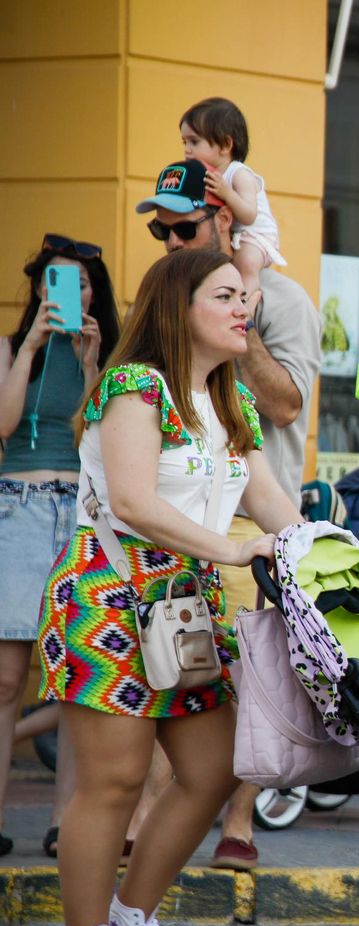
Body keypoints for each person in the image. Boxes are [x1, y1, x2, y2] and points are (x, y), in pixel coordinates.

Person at [40, 248, 304, 926]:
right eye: (224, 295)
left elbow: (278, 513)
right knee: (114, 782)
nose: (241, 308)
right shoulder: (135, 386)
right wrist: (233, 549)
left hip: (188, 608)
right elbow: (130, 500)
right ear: (179, 307)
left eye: (243, 295)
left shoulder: (231, 406)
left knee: (214, 772)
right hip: (108, 595)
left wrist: (332, 561)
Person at [136, 156, 322, 872]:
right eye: (161, 232)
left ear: (222, 220)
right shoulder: (161, 310)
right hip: (164, 536)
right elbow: (129, 486)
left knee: (248, 680)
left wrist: (231, 329)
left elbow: (282, 407)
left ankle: (234, 821)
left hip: (246, 529)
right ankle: (135, 850)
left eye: (183, 228)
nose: (171, 243)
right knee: (168, 693)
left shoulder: (281, 302)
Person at [0, 234, 120, 859]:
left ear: (95, 293)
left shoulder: (108, 355)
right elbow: (4, 423)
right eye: (56, 283)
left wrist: (94, 363)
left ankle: (63, 823)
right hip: (16, 509)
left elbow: (103, 437)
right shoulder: (11, 348)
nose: (69, 295)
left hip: (80, 513)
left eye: (81, 284)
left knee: (77, 679)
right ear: (39, 291)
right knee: (6, 677)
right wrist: (32, 348)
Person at [178, 98, 284, 297]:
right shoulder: (208, 174)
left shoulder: (239, 174)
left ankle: (247, 302)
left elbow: (249, 215)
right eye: (184, 142)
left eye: (194, 141)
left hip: (256, 235)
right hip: (233, 233)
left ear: (226, 144)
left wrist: (227, 193)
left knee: (245, 263)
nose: (187, 149)